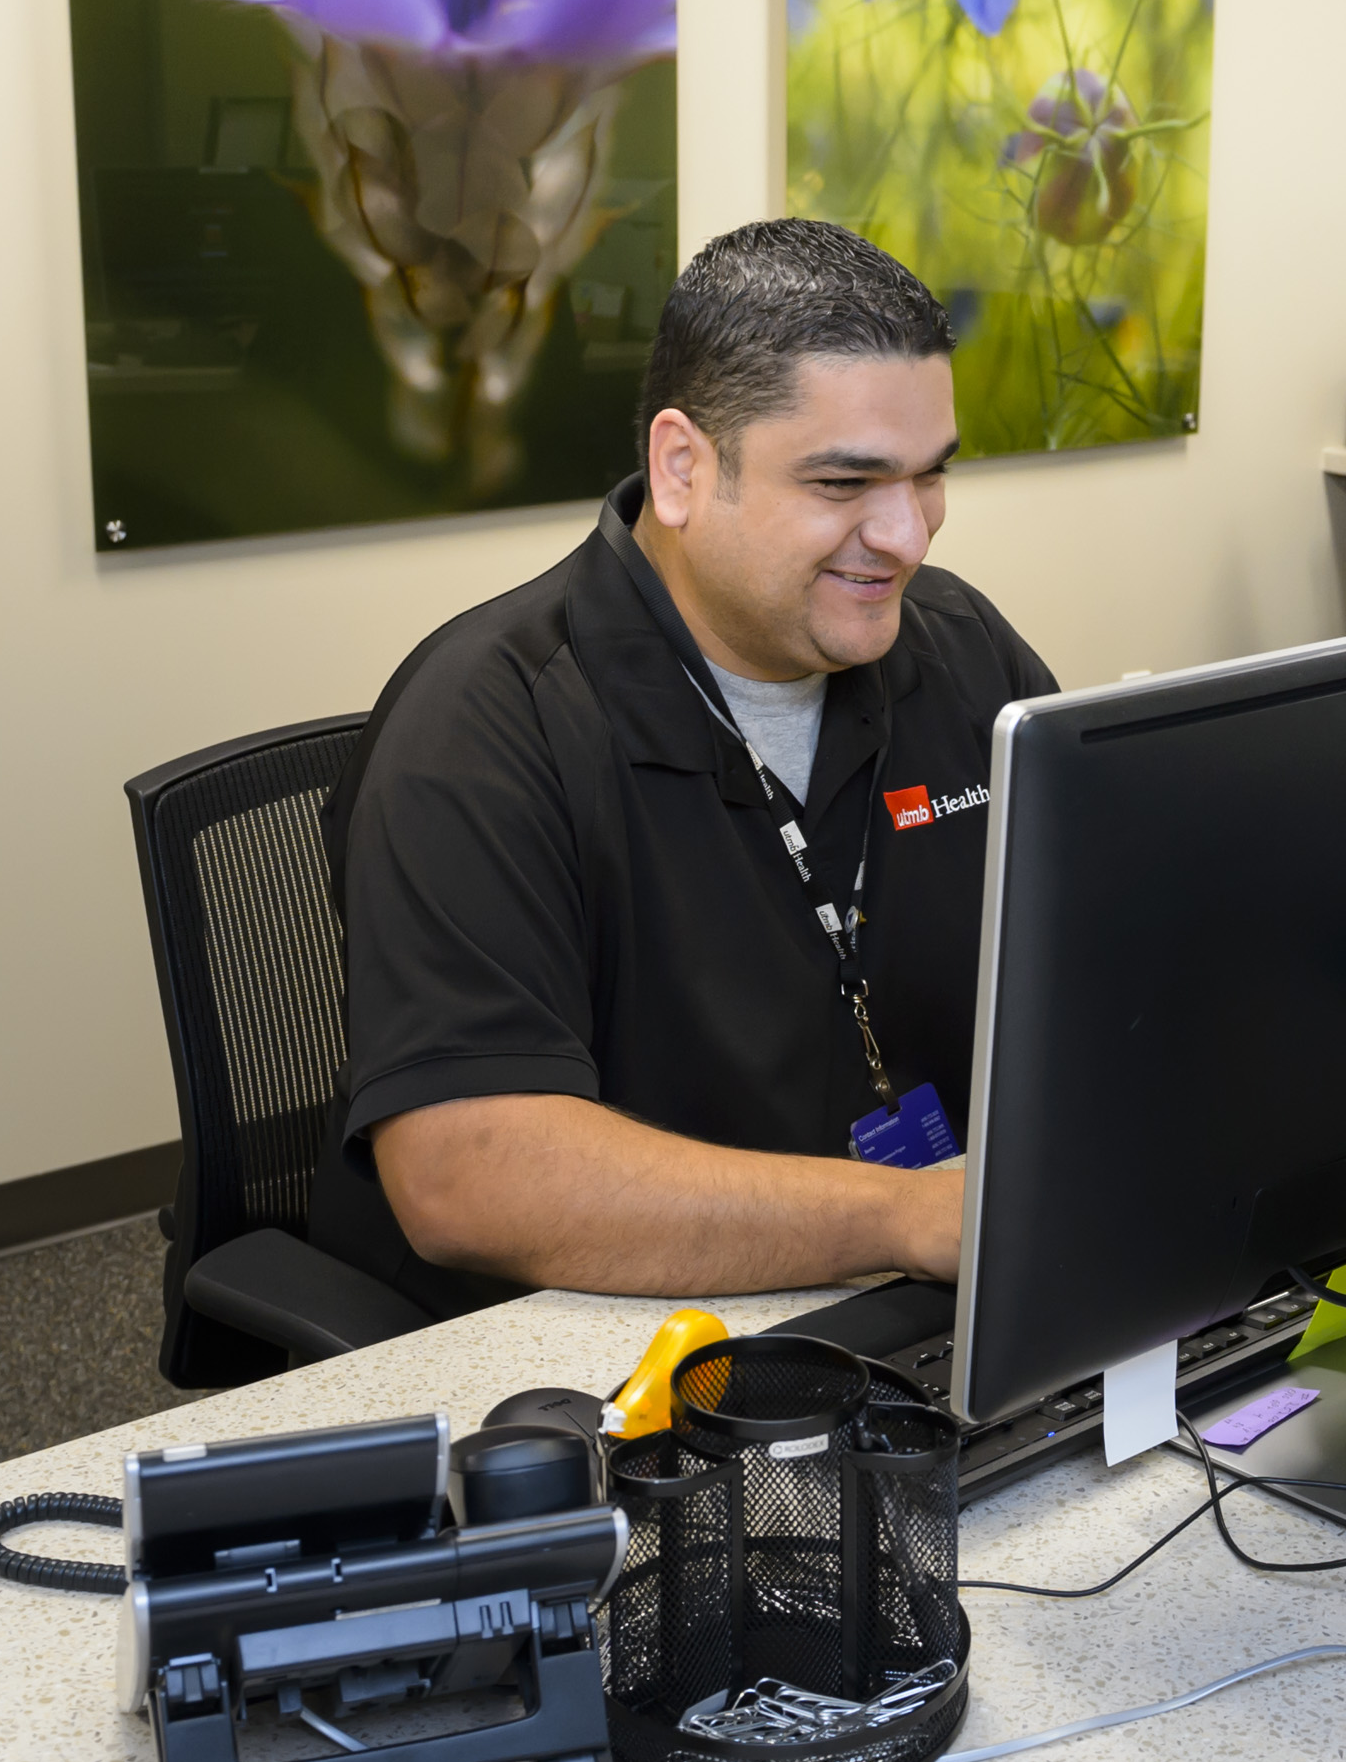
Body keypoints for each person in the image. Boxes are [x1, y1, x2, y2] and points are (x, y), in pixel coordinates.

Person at [309, 217, 1056, 1313]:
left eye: (930, 474)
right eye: (844, 482)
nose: (908, 535)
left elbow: (1102, 942)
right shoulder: (478, 728)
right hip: (602, 1337)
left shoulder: (961, 649)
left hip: (906, 1300)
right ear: (681, 468)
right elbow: (468, 1174)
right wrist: (905, 1215)